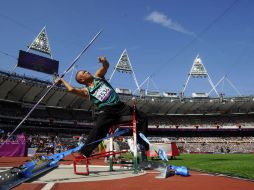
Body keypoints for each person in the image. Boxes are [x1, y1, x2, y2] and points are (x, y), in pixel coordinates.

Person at [56, 56, 149, 161]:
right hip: (107, 111)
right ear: (82, 79)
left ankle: (142, 144)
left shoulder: (98, 77)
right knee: (98, 129)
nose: (87, 71)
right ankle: (85, 152)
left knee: (143, 117)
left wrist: (104, 61)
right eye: (84, 72)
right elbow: (71, 89)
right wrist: (62, 80)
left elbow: (106, 66)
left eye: (86, 70)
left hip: (121, 106)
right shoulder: (86, 91)